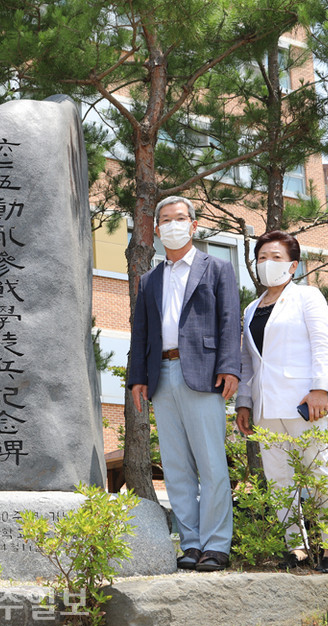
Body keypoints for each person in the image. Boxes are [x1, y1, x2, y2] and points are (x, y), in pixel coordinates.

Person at [127, 196, 242, 572]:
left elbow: (229, 321)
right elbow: (140, 333)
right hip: (161, 375)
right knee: (176, 468)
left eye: (180, 218)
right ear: (156, 229)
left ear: (193, 225)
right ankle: (190, 543)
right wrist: (137, 379)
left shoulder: (218, 269)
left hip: (204, 374)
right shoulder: (150, 280)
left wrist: (230, 366)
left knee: (211, 464)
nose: (173, 225)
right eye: (165, 220)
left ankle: (216, 545)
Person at [235, 230, 328, 573]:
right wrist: (243, 403)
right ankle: (294, 547)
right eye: (263, 257)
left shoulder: (308, 297)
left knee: (318, 471)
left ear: (293, 265)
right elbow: (248, 361)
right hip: (266, 405)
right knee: (278, 476)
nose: (268, 263)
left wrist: (319, 390)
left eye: (277, 257)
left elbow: (322, 345)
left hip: (304, 402)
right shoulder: (251, 308)